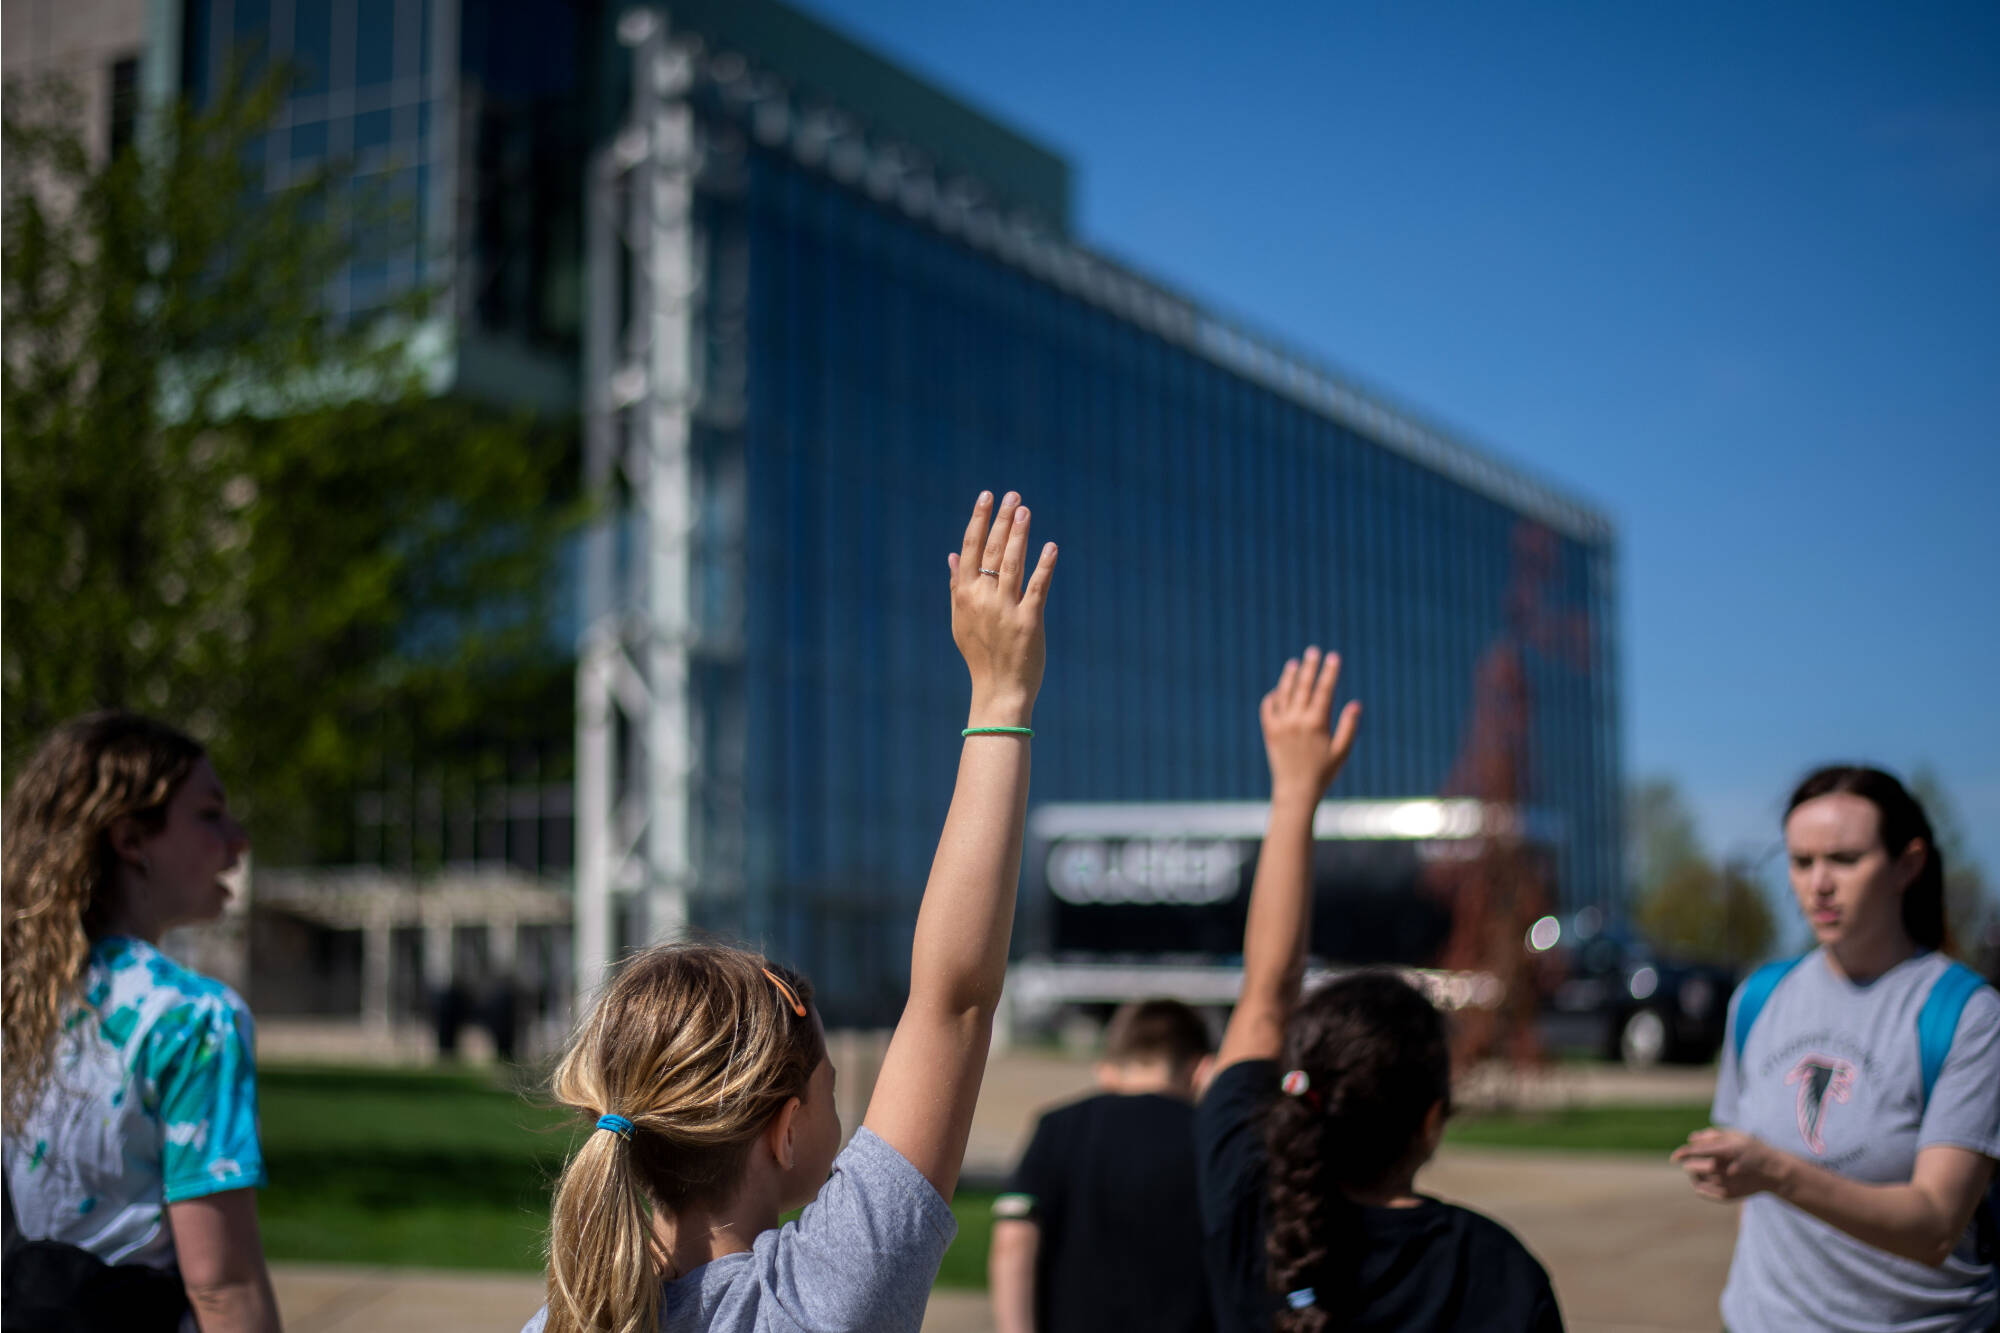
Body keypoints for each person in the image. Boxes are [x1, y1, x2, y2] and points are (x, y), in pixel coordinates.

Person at [526, 489, 1057, 1333]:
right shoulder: (820, 1301)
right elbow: (953, 1000)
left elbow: (953, 1002)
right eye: (833, 1091)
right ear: (784, 1131)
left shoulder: (559, 1322)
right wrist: (1001, 698)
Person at [1194, 648, 1562, 1332]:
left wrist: (1293, 792)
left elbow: (1266, 995)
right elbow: (1270, 1002)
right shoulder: (1497, 1273)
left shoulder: (1249, 1211)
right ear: (1430, 1122)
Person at [1672, 765, 2000, 1332]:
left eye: (1844, 860)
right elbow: (1752, 1205)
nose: (1818, 883)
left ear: (1908, 865)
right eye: (1801, 862)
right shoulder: (1759, 997)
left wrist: (1776, 1172)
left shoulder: (1966, 1014)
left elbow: (1936, 1226)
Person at [1, 712, 280, 1333]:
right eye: (209, 815)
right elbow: (223, 1284)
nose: (238, 840)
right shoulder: (192, 1020)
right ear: (130, 839)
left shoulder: (15, 1000)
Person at [988, 998, 1219, 1333]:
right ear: (1201, 1070)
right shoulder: (1212, 1137)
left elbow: (1014, 1238)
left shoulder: (1059, 1127)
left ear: (1107, 1069)